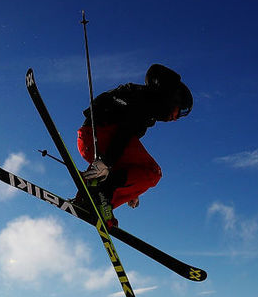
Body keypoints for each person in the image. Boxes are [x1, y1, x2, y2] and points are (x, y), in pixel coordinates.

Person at [74, 64, 192, 227]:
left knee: (143, 172)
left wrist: (131, 188)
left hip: (90, 140)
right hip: (97, 137)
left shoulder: (140, 101)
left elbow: (123, 146)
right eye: (180, 110)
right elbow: (123, 133)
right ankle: (100, 202)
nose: (177, 117)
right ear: (170, 98)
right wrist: (107, 163)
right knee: (153, 172)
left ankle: (87, 199)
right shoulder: (142, 101)